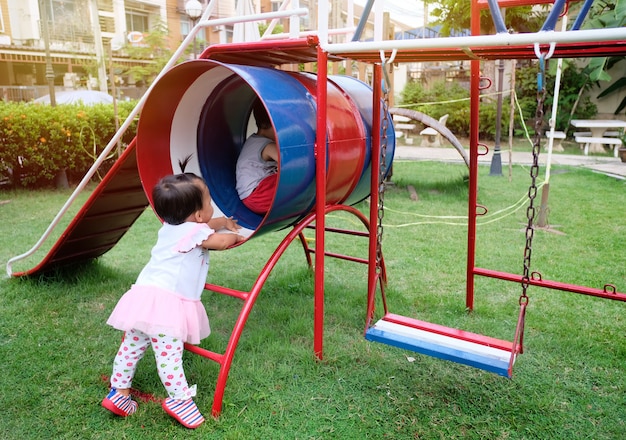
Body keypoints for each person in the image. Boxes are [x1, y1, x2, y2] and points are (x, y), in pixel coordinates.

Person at [101, 173, 245, 429]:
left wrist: (222, 221)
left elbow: (206, 226)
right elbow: (220, 242)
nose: (212, 207)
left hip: (144, 297)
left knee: (132, 347)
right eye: (209, 201)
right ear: (199, 215)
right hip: (168, 304)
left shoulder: (172, 228)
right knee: (169, 356)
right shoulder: (195, 233)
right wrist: (235, 234)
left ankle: (119, 392)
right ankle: (180, 399)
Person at [235, 99, 279, 214]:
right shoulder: (267, 145)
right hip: (258, 195)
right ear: (265, 125)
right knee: (290, 179)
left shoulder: (253, 140)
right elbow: (290, 163)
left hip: (249, 197)